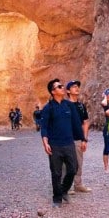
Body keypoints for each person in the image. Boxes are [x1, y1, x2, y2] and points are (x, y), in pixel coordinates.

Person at [40, 79, 84, 207]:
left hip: (69, 143)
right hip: (54, 145)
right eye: (59, 87)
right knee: (56, 172)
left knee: (73, 169)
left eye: (62, 86)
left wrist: (83, 140)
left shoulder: (69, 105)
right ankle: (57, 198)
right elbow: (44, 127)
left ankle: (64, 190)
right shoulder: (48, 108)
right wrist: (45, 143)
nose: (63, 88)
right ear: (53, 91)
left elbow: (76, 124)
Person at [65, 80, 92, 193]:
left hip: (78, 138)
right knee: (67, 163)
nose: (77, 88)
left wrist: (84, 139)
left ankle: (78, 184)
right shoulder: (64, 105)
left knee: (79, 162)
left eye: (77, 87)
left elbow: (85, 122)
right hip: (66, 139)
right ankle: (68, 186)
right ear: (68, 90)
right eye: (73, 87)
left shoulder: (81, 106)